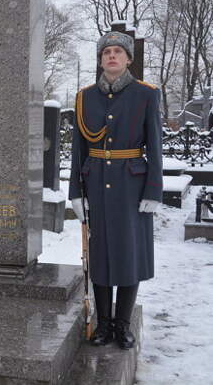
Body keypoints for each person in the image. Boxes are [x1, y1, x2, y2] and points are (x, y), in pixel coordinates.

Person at [69, 31, 162, 350]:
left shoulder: (146, 94)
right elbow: (78, 149)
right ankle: (104, 324)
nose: (111, 56)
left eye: (118, 52)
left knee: (128, 253)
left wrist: (153, 190)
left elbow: (155, 146)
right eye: (106, 52)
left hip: (132, 185)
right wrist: (75, 192)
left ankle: (122, 324)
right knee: (100, 254)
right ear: (100, 60)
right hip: (95, 182)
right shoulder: (84, 97)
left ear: (128, 59)